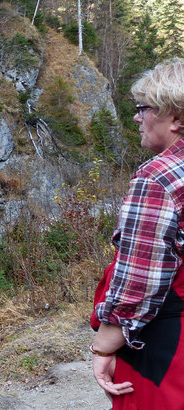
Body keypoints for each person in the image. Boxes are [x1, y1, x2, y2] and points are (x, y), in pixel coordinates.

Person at [91, 57, 184, 409]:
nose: (136, 117)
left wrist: (104, 346)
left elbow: (139, 280)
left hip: (165, 349)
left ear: (175, 117)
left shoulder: (158, 178)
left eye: (144, 108)